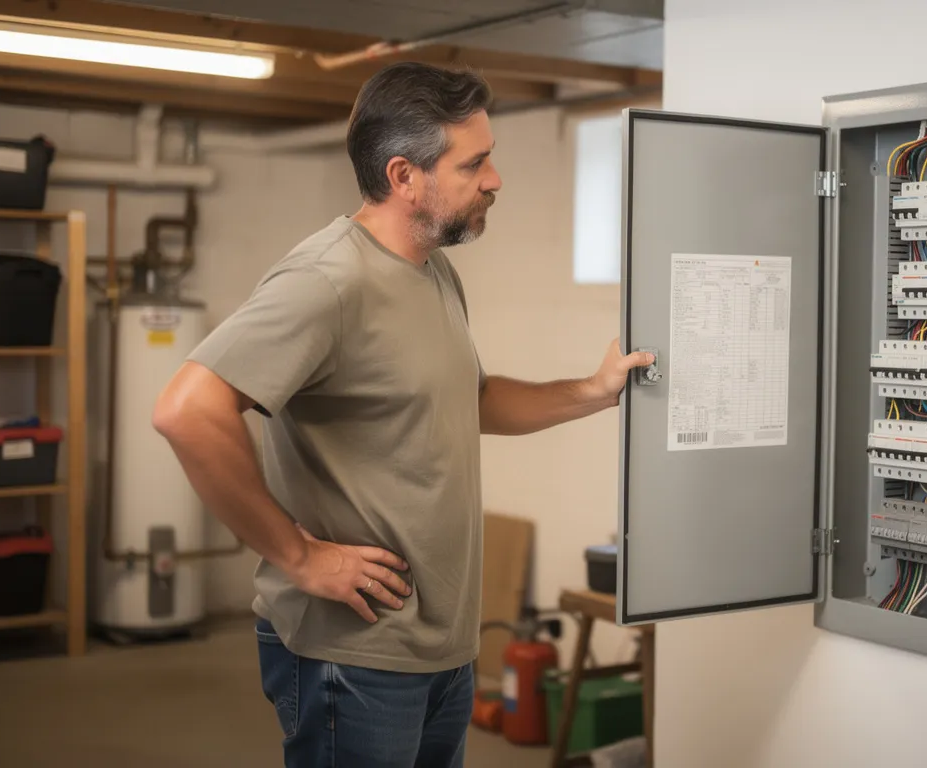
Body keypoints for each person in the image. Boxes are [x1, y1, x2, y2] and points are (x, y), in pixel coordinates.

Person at [151, 61, 652, 768]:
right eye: (474, 163)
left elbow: (470, 400)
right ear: (403, 177)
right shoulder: (327, 281)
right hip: (353, 656)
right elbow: (186, 410)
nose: (495, 180)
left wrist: (593, 391)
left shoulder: (431, 269)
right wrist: (297, 556)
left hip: (439, 648)